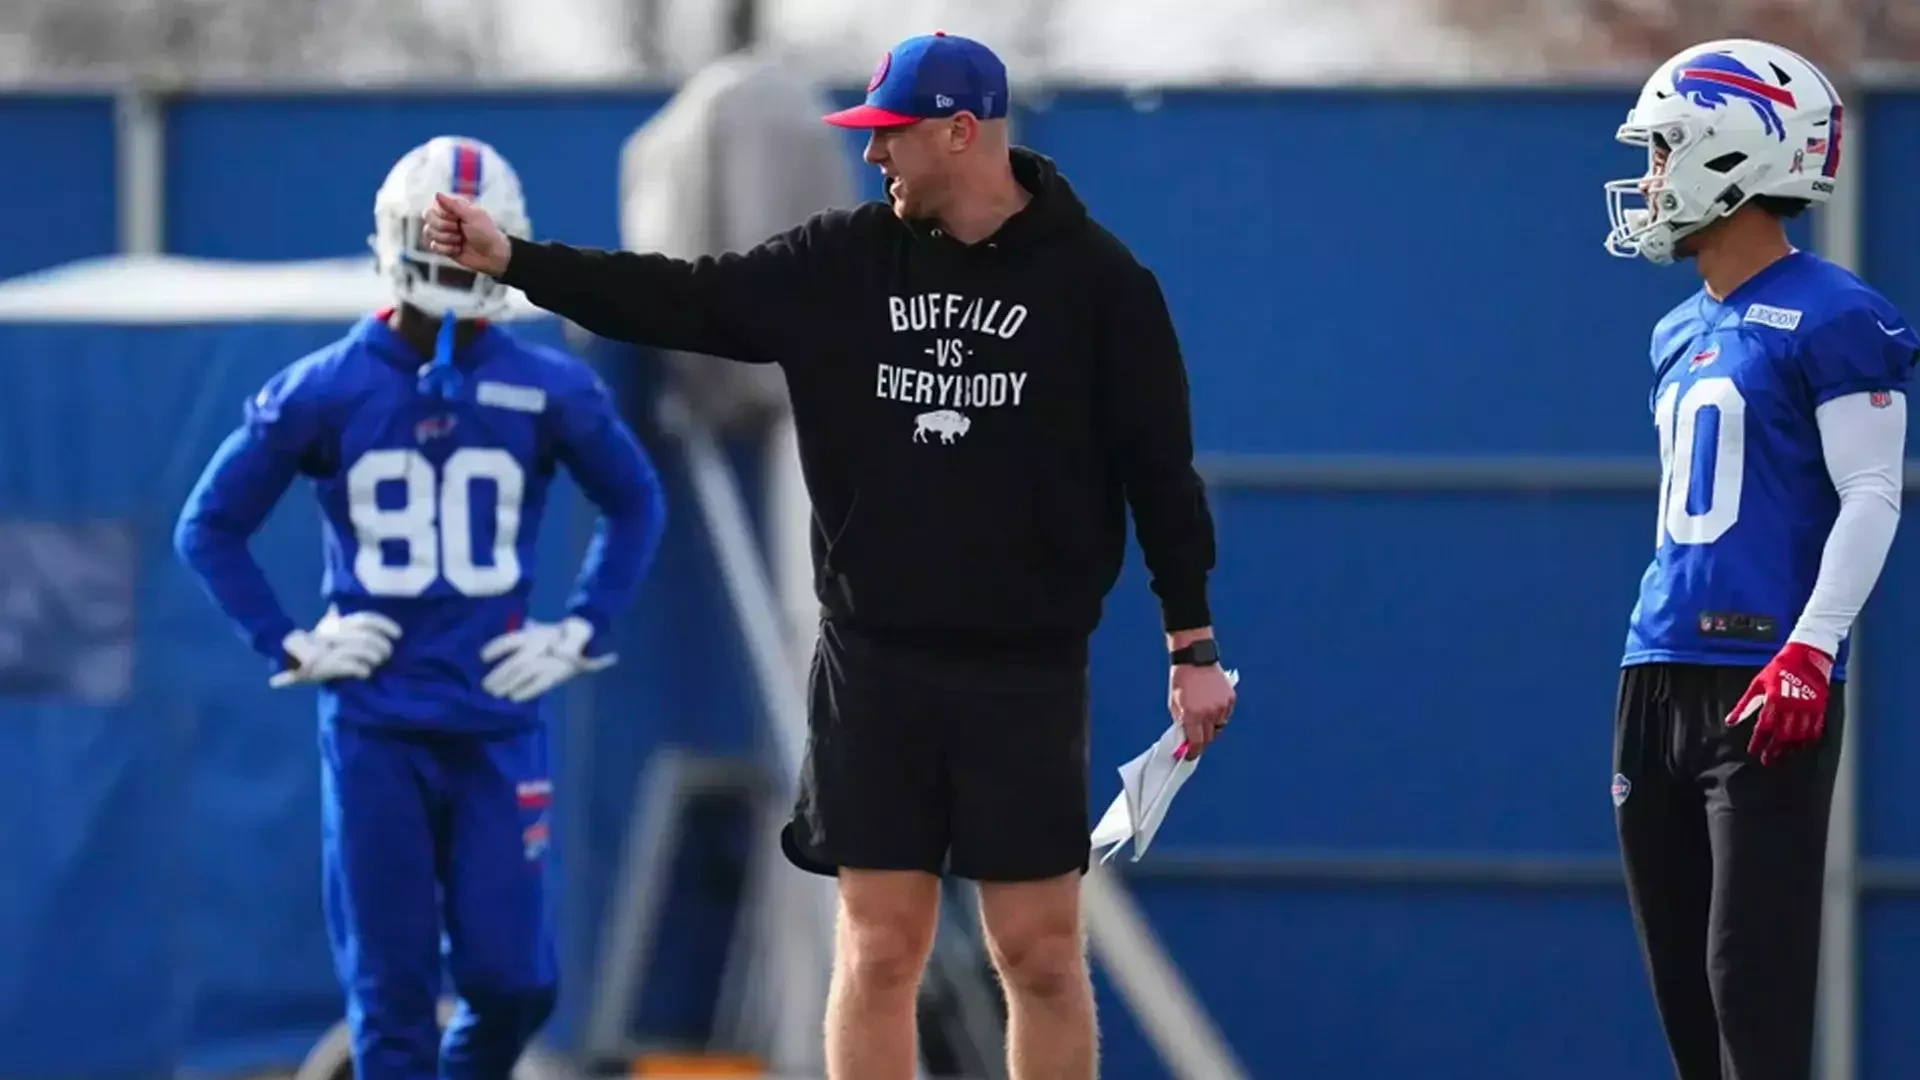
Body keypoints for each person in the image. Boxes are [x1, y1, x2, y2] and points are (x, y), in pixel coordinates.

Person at [423, 30, 1236, 1080]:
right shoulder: (840, 263)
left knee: (1036, 951)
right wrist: (517, 263)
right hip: (877, 665)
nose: (872, 155)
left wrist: (1193, 641)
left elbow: (1160, 472)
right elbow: (686, 294)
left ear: (960, 131)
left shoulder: (1101, 285)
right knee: (880, 942)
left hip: (1024, 670)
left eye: (890, 134)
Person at [173, 135, 666, 1080]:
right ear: (395, 240)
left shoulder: (547, 382)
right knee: (391, 1000)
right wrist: (288, 640)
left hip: (494, 717)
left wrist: (583, 628)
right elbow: (209, 525)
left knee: (516, 981)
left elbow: (636, 498)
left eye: (469, 237)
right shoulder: (327, 387)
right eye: (437, 238)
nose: (450, 259)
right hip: (378, 725)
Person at [1603, 38, 1915, 1080]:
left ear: (1730, 157)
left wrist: (1813, 647)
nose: (1649, 181)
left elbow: (1874, 493)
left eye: (1664, 152)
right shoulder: (1673, 332)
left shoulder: (1835, 313)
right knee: (1685, 1006)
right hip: (1654, 674)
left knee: (1752, 992)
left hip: (1764, 679)